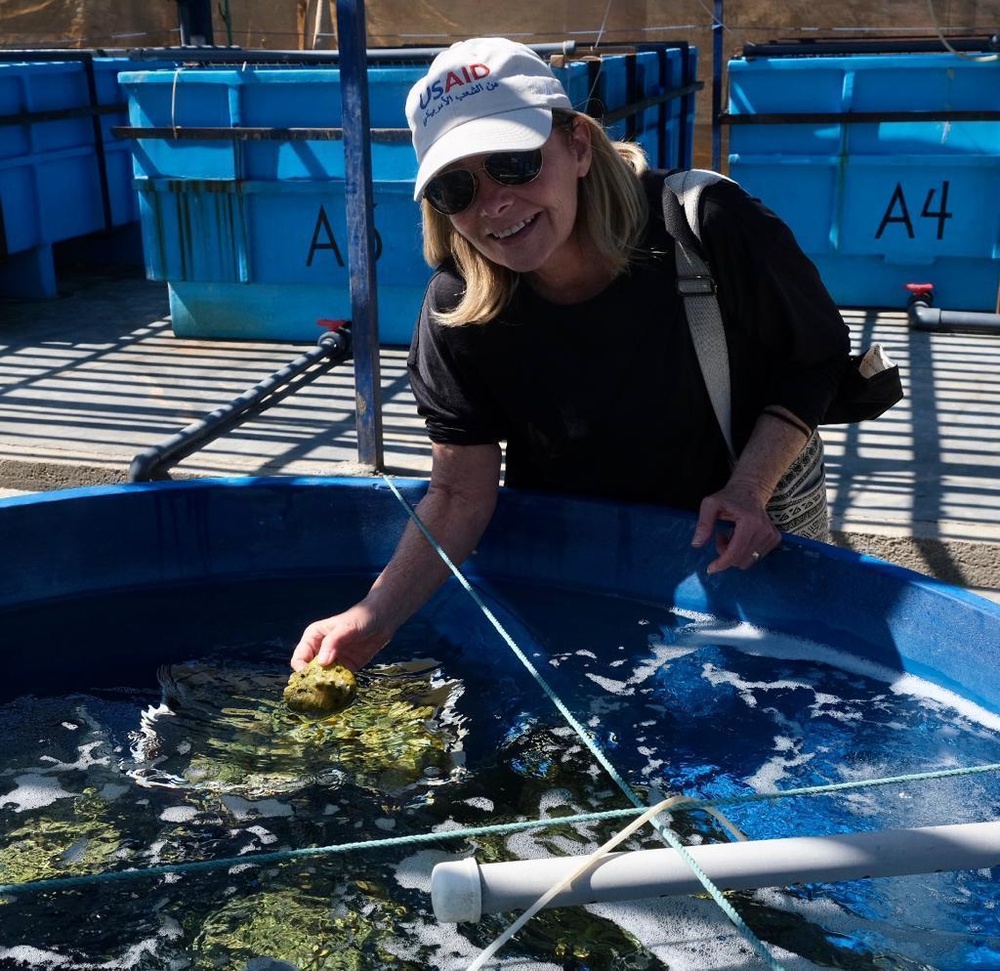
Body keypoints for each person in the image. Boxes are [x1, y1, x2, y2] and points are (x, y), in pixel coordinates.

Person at [291, 37, 851, 674]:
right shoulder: (458, 305)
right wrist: (373, 616)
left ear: (579, 145)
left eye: (513, 161)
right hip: (586, 545)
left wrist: (750, 487)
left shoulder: (705, 224)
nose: (493, 202)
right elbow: (457, 493)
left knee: (769, 702)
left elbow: (816, 356)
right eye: (455, 187)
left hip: (737, 514)